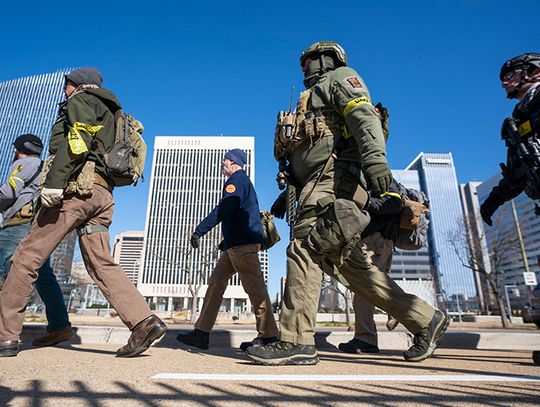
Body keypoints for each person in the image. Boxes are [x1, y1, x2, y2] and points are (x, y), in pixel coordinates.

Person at [247, 41, 448, 366]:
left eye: (308, 60)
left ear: (326, 58)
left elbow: (363, 117)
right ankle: (425, 320)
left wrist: (376, 163)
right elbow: (311, 148)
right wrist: (287, 194)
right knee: (349, 268)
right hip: (315, 184)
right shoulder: (309, 99)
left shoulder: (339, 78)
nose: (304, 67)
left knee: (304, 249)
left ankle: (296, 340)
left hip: (335, 182)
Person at [0, 67, 166, 358]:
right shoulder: (117, 114)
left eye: (65, 85)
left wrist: (54, 184)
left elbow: (76, 140)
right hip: (102, 197)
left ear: (72, 83)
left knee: (26, 258)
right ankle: (143, 321)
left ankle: (5, 336)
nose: (64, 90)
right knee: (100, 262)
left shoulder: (81, 99)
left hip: (75, 191)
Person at [176, 149, 279, 351]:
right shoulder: (241, 182)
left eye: (224, 160)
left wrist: (199, 230)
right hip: (233, 246)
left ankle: (269, 337)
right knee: (215, 284)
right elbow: (238, 216)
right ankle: (201, 334)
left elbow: (225, 208)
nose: (222, 163)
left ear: (232, 162)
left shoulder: (237, 181)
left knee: (255, 290)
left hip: (242, 246)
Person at [479, 53, 540, 367]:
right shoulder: (519, 117)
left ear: (532, 71)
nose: (505, 81)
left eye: (511, 74)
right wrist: (494, 201)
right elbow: (519, 170)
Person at [0, 134, 72, 347]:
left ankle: (5, 331)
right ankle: (59, 325)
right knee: (43, 275)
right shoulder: (45, 166)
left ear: (17, 149)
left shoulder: (25, 163)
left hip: (17, 224)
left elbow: (9, 192)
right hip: (39, 224)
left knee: (4, 271)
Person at [338, 179, 402, 354]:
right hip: (377, 240)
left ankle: (365, 338)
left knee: (363, 287)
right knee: (378, 284)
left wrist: (365, 202)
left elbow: (395, 203)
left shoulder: (378, 176)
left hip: (374, 239)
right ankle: (416, 318)